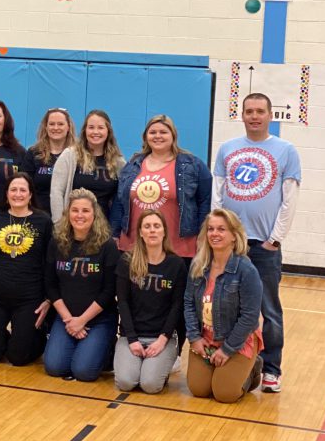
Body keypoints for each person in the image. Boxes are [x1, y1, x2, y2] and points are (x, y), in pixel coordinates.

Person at [212, 93, 300, 394]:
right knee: (225, 305)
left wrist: (275, 239)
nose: (254, 116)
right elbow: (218, 195)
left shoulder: (286, 151)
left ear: (270, 115)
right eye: (249, 111)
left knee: (268, 309)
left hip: (263, 246)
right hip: (230, 245)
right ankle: (236, 362)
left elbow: (289, 200)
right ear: (242, 115)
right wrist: (218, 233)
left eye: (260, 111)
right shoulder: (227, 149)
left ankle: (272, 368)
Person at [185, 209, 265, 403]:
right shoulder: (198, 265)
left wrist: (227, 350)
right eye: (211, 229)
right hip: (206, 339)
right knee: (199, 390)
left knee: (224, 394)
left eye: (221, 229)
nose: (215, 234)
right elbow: (188, 302)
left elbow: (249, 317)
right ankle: (220, 369)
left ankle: (252, 369)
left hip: (237, 341)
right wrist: (194, 338)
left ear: (234, 236)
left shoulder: (246, 270)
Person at [44, 188, 120, 382]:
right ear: (67, 213)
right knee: (54, 367)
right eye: (75, 210)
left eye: (85, 211)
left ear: (95, 214)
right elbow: (51, 286)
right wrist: (69, 320)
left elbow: (109, 291)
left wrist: (82, 320)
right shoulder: (57, 242)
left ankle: (107, 348)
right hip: (66, 319)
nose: (80, 215)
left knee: (84, 372)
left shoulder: (107, 245)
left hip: (98, 319)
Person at [112, 115, 212, 259]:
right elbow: (119, 202)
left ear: (173, 135)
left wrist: (203, 236)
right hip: (134, 247)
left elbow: (205, 202)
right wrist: (115, 234)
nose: (157, 136)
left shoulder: (192, 165)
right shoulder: (132, 165)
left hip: (179, 249)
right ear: (146, 136)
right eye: (153, 132)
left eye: (163, 132)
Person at [0, 173, 54, 366]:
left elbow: (50, 261)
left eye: (23, 190)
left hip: (29, 297)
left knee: (17, 358)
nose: (18, 194)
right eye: (13, 189)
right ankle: (1, 335)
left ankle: (35, 338)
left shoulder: (43, 221)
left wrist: (48, 298)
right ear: (6, 194)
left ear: (30, 195)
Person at [114, 210, 187, 394]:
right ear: (140, 232)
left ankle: (158, 366)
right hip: (132, 337)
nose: (152, 231)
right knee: (125, 382)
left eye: (156, 226)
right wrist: (131, 339)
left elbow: (177, 306)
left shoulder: (176, 264)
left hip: (161, 338)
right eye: (147, 226)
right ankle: (142, 365)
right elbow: (122, 302)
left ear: (164, 232)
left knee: (150, 385)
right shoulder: (127, 261)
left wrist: (162, 340)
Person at [49, 110, 124, 222]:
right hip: (73, 226)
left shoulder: (118, 162)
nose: (95, 132)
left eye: (100, 127)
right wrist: (59, 224)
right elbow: (56, 192)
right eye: (91, 127)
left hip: (104, 229)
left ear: (108, 131)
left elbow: (121, 200)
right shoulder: (70, 155)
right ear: (85, 130)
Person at [22, 108, 76, 213]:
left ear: (68, 127)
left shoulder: (77, 155)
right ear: (45, 127)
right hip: (38, 214)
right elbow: (25, 186)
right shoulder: (33, 153)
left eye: (60, 124)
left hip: (69, 217)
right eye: (51, 124)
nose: (56, 128)